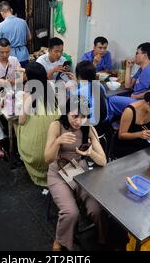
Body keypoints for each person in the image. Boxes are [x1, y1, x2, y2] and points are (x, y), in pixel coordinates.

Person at [45, 97, 107, 251]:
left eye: (84, 117)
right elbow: (47, 158)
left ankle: (102, 236)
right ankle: (60, 240)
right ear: (67, 113)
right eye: (74, 116)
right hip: (58, 171)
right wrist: (58, 141)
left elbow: (103, 161)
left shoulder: (88, 128)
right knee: (71, 212)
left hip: (79, 169)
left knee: (97, 209)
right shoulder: (56, 126)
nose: (78, 121)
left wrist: (91, 153)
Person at [16, 62, 59, 186]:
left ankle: (27, 161)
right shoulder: (51, 89)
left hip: (36, 154)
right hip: (53, 150)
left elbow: (21, 121)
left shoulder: (28, 96)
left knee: (18, 126)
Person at [106, 43, 150, 118]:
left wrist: (136, 95)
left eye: (137, 53)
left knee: (110, 100)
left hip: (142, 102)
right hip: (135, 98)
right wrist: (128, 67)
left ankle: (106, 123)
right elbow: (128, 85)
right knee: (116, 96)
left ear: (144, 55)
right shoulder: (142, 69)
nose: (135, 55)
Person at [112, 88, 150, 159]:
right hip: (125, 145)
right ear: (149, 104)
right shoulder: (130, 111)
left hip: (142, 143)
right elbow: (121, 135)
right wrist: (139, 134)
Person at [0, 1, 31, 67]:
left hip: (9, 57)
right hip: (24, 56)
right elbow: (29, 37)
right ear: (11, 10)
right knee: (22, 75)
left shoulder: (0, 26)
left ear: (1, 13)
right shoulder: (23, 22)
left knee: (12, 77)